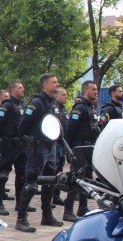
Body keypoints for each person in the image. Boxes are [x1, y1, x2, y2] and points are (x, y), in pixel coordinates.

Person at [15, 74, 65, 232]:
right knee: (32, 182)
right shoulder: (36, 103)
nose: (57, 84)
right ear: (45, 85)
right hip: (38, 146)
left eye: (57, 81)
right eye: (54, 82)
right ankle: (21, 218)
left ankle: (47, 215)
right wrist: (28, 142)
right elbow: (23, 126)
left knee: (51, 180)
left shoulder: (53, 104)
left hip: (52, 146)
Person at [63, 81, 100, 221]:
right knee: (76, 178)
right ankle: (68, 210)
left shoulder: (91, 107)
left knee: (87, 178)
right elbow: (71, 130)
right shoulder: (79, 108)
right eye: (93, 89)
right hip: (79, 147)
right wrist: (70, 150)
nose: (96, 92)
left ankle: (83, 207)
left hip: (89, 147)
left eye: (96, 89)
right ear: (85, 91)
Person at [0, 82, 28, 217]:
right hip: (9, 144)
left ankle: (20, 203)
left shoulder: (22, 105)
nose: (23, 89)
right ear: (13, 90)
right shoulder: (6, 105)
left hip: (21, 145)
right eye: (20, 87)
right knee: (3, 175)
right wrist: (3, 140)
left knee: (22, 175)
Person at [52, 87, 69, 207]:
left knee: (60, 170)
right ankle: (50, 196)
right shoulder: (53, 108)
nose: (66, 97)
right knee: (53, 170)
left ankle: (56, 196)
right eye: (63, 95)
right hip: (54, 143)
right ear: (56, 96)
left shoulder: (64, 109)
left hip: (63, 143)